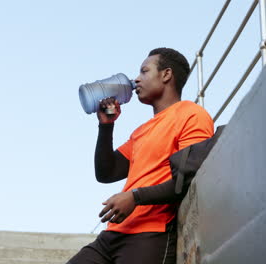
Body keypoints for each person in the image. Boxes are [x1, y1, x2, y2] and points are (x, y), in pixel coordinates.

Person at [67, 48, 214, 264]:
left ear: (166, 75)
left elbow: (186, 180)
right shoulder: (142, 131)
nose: (136, 79)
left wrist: (135, 197)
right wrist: (106, 126)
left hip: (150, 233)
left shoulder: (191, 114)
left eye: (144, 71)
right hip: (113, 234)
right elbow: (106, 173)